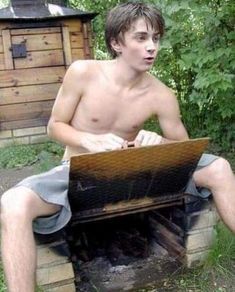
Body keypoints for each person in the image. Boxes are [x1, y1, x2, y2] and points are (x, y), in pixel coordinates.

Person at [1, 1, 234, 291]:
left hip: (135, 170)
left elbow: (184, 148)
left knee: (220, 167)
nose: (152, 47)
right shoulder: (83, 72)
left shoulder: (161, 94)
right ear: (116, 42)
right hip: (78, 174)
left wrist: (160, 141)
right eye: (141, 37)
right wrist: (88, 139)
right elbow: (54, 126)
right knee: (13, 203)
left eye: (156, 38)